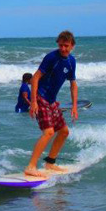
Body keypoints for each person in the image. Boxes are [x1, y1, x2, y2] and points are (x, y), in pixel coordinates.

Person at [25, 31, 78, 179]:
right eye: (60, 45)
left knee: (64, 131)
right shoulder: (51, 58)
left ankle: (50, 162)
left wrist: (74, 106)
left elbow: (73, 85)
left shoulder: (71, 61)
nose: (63, 49)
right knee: (48, 132)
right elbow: (35, 79)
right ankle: (31, 166)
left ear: (72, 46)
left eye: (66, 46)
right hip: (41, 97)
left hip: (51, 101)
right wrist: (34, 102)